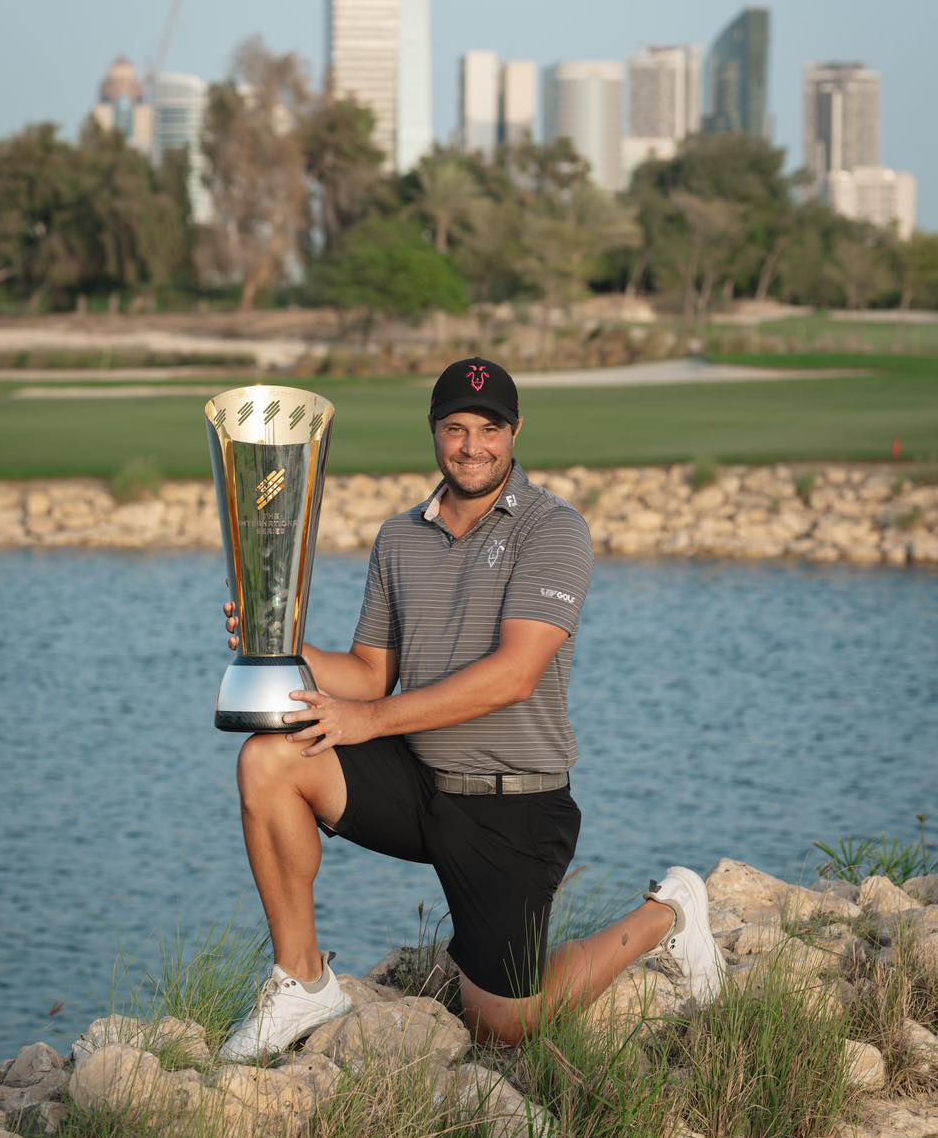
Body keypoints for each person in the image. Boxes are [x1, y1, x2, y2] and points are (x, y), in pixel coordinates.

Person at [218, 357, 724, 1061]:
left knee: (505, 1024)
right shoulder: (400, 537)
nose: (472, 445)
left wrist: (368, 721)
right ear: (434, 432)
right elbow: (369, 674)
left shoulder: (553, 529)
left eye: (490, 428)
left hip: (512, 802)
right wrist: (284, 643)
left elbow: (513, 676)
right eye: (455, 427)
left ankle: (668, 914)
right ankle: (302, 978)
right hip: (420, 785)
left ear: (516, 432)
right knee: (269, 756)